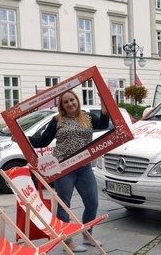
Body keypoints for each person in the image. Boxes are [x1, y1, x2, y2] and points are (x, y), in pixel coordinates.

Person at [28, 90, 109, 252]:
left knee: (92, 202)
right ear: (62, 106)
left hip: (84, 166)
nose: (70, 103)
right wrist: (21, 138)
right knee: (64, 205)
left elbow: (104, 124)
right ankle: (67, 241)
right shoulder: (57, 120)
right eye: (66, 102)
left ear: (77, 100)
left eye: (72, 100)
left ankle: (87, 235)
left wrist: (104, 101)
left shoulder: (87, 117)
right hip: (63, 167)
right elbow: (43, 141)